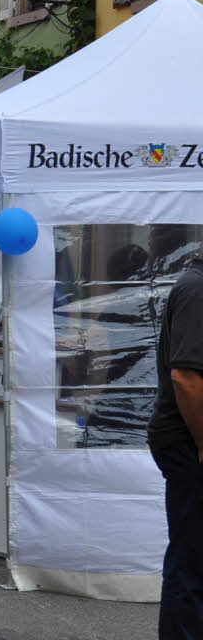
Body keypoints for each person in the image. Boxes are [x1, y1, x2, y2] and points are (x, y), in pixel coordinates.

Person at [149, 254, 203, 636]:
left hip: (189, 439)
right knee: (192, 560)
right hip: (187, 440)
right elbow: (185, 376)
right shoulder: (197, 290)